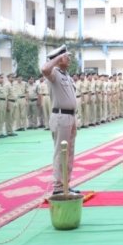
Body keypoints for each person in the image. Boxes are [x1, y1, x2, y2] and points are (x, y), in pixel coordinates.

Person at [41, 44, 81, 196]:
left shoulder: (66, 75)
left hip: (70, 116)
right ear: (57, 59)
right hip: (60, 116)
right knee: (61, 152)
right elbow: (44, 69)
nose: (68, 58)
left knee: (69, 152)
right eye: (65, 56)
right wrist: (57, 58)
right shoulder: (54, 73)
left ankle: (65, 184)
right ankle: (58, 187)